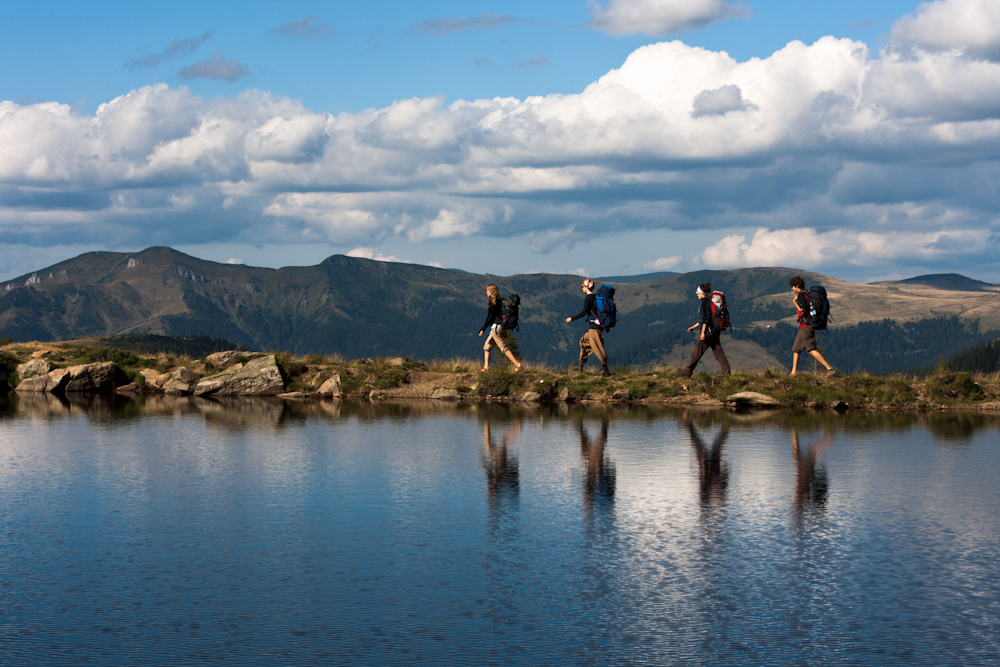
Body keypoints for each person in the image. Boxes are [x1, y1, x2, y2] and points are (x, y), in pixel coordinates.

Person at [789, 276, 837, 377]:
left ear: (797, 286)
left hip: (805, 326)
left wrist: (794, 303)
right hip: (805, 326)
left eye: (792, 286)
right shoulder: (807, 294)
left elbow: (802, 311)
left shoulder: (801, 295)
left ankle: (830, 369)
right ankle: (793, 373)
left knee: (811, 349)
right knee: (796, 349)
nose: (792, 289)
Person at [681, 282, 731, 377]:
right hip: (715, 331)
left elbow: (706, 319)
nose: (697, 294)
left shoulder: (704, 303)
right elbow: (705, 318)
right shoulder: (710, 301)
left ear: (701, 293)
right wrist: (694, 326)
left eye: (697, 293)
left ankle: (687, 371)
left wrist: (703, 332)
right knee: (719, 353)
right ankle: (727, 374)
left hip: (708, 332)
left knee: (697, 352)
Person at [565, 278, 610, 376]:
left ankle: (605, 369)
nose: (581, 289)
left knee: (597, 347)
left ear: (586, 287)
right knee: (584, 342)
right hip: (597, 326)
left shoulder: (589, 298)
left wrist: (571, 318)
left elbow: (584, 312)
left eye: (582, 287)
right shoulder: (597, 297)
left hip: (594, 327)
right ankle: (580, 364)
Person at [478, 283, 523, 372]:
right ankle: (486, 368)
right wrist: (504, 330)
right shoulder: (500, 301)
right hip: (499, 327)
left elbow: (490, 317)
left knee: (504, 348)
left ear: (491, 291)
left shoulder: (492, 302)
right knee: (487, 347)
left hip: (495, 329)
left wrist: (482, 329)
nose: (486, 292)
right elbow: (500, 316)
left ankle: (518, 365)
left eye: (487, 291)